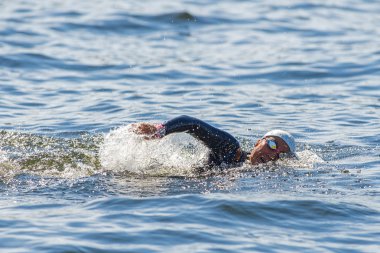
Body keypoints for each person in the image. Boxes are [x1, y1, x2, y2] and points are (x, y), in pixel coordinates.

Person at [132, 115, 296, 168]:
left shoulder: (266, 174)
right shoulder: (229, 148)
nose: (272, 154)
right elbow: (193, 124)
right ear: (258, 142)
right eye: (272, 145)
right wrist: (160, 130)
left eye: (279, 154)